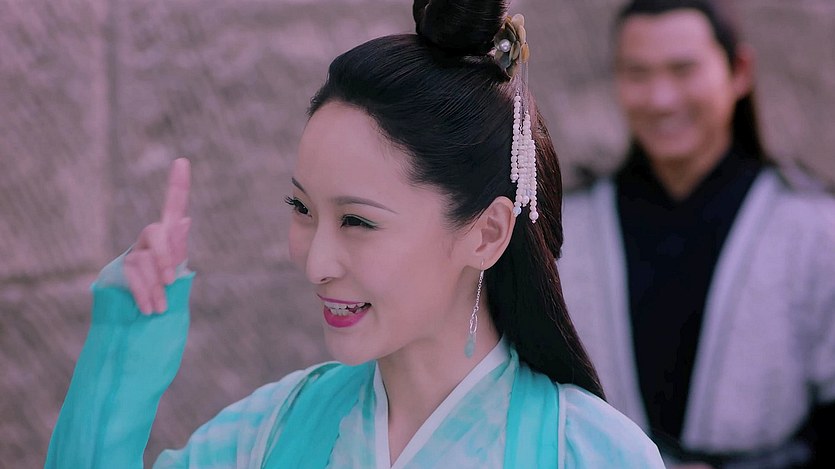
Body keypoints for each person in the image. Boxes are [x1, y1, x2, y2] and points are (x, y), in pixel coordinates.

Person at [45, 1, 664, 467]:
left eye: (358, 221)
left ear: (486, 233)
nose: (316, 262)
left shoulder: (588, 452)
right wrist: (123, 349)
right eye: (302, 207)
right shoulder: (270, 432)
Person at [558, 0, 835, 467]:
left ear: (739, 71)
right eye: (637, 73)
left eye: (683, 70)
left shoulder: (814, 228)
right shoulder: (569, 227)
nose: (661, 99)